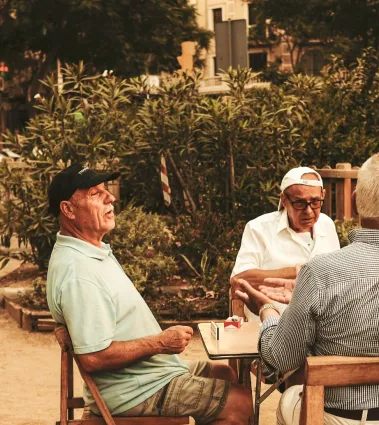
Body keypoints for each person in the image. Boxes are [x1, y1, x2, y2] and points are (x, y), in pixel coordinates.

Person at [236, 150, 379, 425]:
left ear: (354, 204)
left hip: (337, 419)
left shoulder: (320, 271)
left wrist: (268, 310)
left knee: (290, 397)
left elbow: (280, 358)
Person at [46, 163, 252, 424]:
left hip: (147, 374)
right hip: (133, 390)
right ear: (68, 210)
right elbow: (94, 357)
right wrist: (160, 343)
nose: (110, 197)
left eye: (105, 190)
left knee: (224, 373)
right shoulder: (79, 272)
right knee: (240, 403)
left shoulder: (89, 251)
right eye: (95, 194)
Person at [230, 166, 340, 321]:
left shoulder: (327, 225)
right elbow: (239, 281)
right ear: (284, 199)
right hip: (272, 326)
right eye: (300, 203)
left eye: (315, 201)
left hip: (319, 328)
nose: (308, 211)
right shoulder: (259, 228)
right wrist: (299, 272)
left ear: (323, 195)